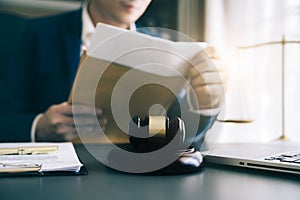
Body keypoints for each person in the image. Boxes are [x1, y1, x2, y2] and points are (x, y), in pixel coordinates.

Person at [0, 0, 225, 146]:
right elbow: (5, 115)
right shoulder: (32, 33)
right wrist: (38, 126)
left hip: (133, 177)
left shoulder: (166, 53)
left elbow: (182, 141)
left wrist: (205, 106)